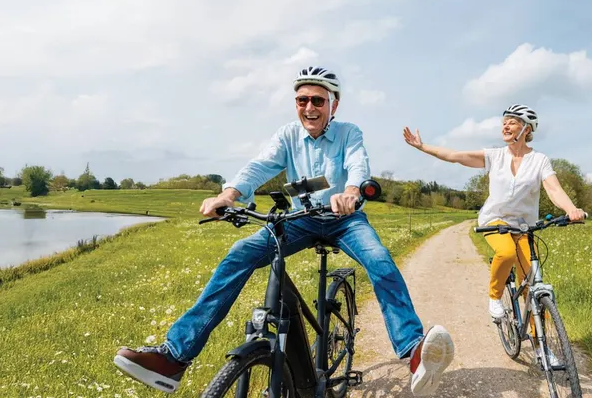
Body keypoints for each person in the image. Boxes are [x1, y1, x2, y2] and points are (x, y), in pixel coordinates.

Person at [115, 66, 454, 396]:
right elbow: (259, 166)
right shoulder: (287, 135)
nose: (309, 107)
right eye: (302, 100)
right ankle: (174, 357)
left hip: (345, 219)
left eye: (318, 100)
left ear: (333, 105)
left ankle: (413, 350)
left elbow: (357, 163)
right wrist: (228, 195)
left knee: (379, 259)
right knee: (239, 253)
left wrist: (351, 192)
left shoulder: (349, 133)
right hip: (301, 218)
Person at [403, 104, 586, 319]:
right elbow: (454, 155)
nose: (505, 126)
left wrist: (571, 209)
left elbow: (554, 189)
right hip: (495, 220)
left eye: (512, 122)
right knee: (506, 253)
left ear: (526, 129)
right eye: (504, 123)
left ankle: (540, 339)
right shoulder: (495, 156)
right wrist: (422, 146)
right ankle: (495, 297)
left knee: (531, 282)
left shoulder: (539, 161)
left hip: (525, 226)